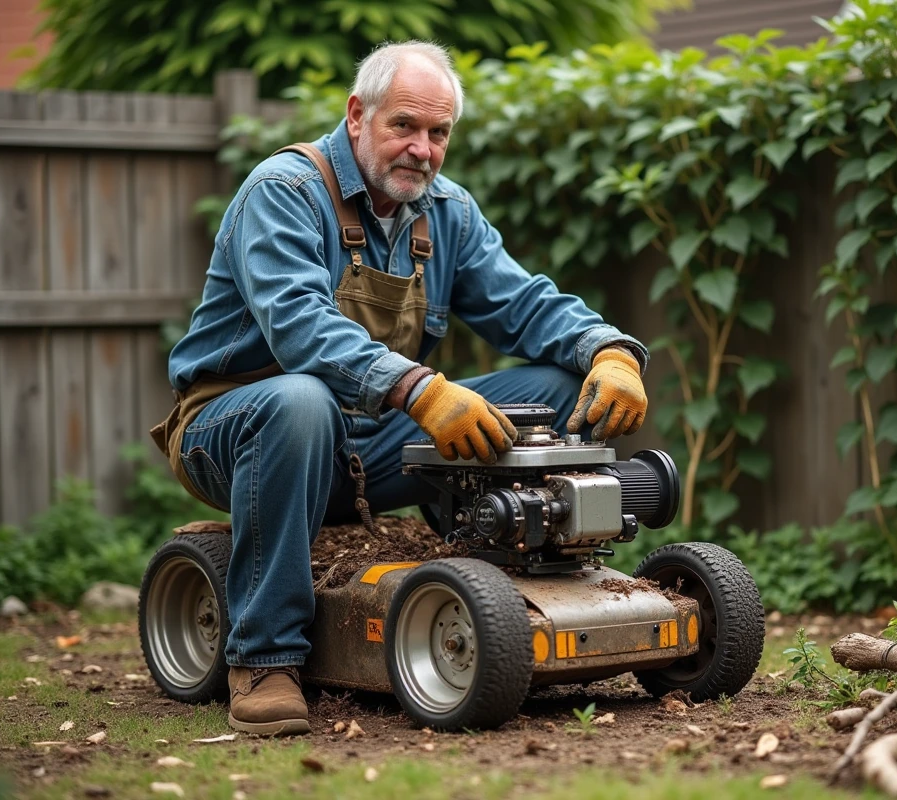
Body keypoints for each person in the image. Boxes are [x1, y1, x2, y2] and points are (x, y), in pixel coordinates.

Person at [153, 40, 649, 736]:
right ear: (358, 115)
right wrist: (420, 390)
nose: (422, 148)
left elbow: (526, 304)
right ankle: (263, 658)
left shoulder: (447, 213)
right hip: (235, 430)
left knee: (559, 384)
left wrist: (610, 350)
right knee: (301, 398)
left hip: (367, 443)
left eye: (438, 133)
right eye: (404, 127)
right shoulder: (283, 192)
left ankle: (507, 574)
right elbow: (300, 328)